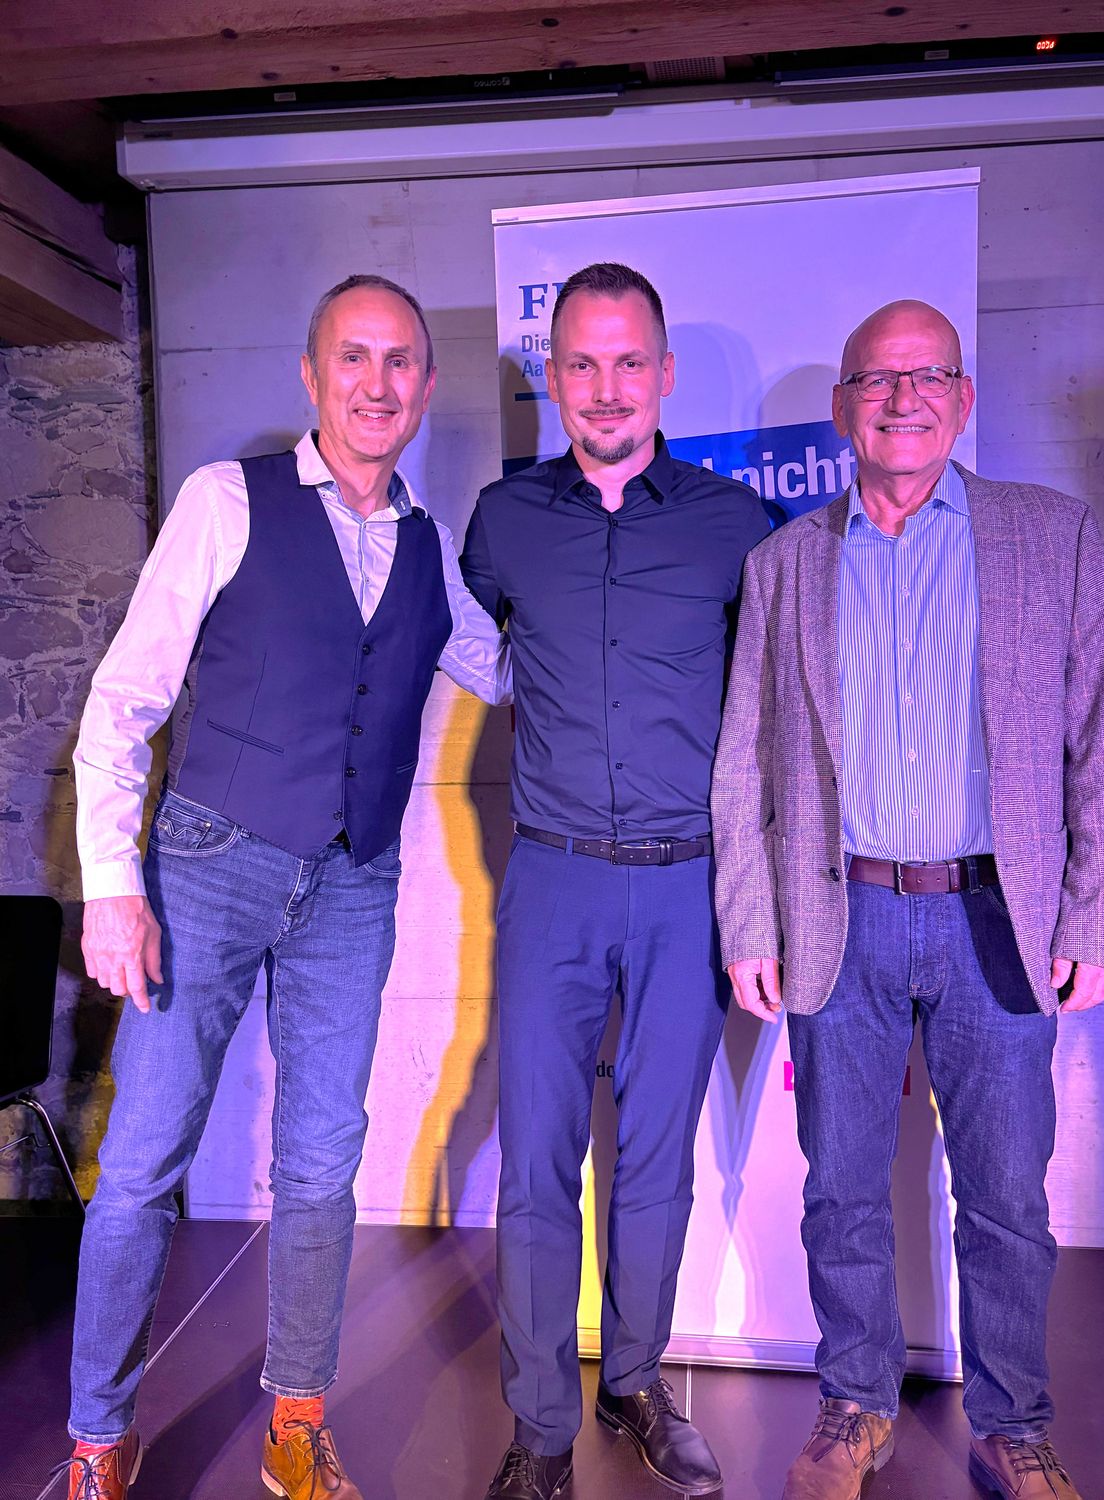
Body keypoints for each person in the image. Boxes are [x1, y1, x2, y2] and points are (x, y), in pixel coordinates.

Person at [63, 274, 511, 1500]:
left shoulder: (428, 547)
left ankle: (294, 1425)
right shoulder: (227, 500)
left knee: (322, 1161)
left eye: (401, 361)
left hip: (353, 883)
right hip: (208, 865)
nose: (378, 382)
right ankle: (98, 1438)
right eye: (353, 357)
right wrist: (113, 885)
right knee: (144, 1157)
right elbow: (125, 700)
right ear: (313, 375)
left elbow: (508, 669)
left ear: (426, 385)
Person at [712, 298, 1104, 1500]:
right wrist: (750, 922)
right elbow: (743, 762)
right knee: (839, 1187)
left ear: (963, 397)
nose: (903, 399)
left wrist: (1098, 918)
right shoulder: (784, 565)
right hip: (838, 920)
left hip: (1002, 921)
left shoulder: (1050, 536)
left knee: (1006, 1196)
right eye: (878, 381)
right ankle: (854, 1408)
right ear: (843, 408)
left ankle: (1014, 1423)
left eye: (928, 376)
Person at [461, 261, 770, 1500]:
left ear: (665, 375)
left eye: (628, 361)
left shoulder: (736, 526)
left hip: (690, 887)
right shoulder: (501, 522)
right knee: (536, 1157)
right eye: (581, 363)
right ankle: (540, 1428)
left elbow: (777, 711)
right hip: (553, 880)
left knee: (654, 1160)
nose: (605, 387)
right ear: (553, 377)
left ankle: (633, 1381)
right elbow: (467, 646)